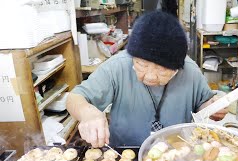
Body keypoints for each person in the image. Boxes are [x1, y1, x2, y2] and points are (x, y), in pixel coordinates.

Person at [66, 11, 228, 148]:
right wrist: (87, 113)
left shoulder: (190, 71)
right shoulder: (117, 66)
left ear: (178, 66)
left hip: (177, 153)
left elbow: (203, 104)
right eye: (142, 65)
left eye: (162, 69)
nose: (150, 76)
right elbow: (74, 97)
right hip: (125, 153)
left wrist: (212, 108)